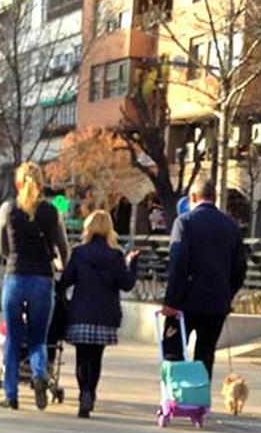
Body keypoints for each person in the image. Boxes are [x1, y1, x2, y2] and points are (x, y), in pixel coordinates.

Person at [0, 161, 70, 410]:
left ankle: (11, 394)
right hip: (42, 279)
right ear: (41, 183)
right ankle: (39, 375)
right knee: (39, 338)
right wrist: (62, 267)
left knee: (14, 339)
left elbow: (2, 247)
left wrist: (13, 258)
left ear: (18, 183)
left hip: (15, 277)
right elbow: (63, 247)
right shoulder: (51, 212)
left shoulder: (8, 209)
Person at [160, 178, 246, 381]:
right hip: (216, 302)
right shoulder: (231, 226)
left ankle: (177, 393)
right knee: (205, 353)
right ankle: (198, 399)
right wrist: (227, 293)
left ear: (193, 197)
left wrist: (171, 301)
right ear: (214, 198)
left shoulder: (185, 222)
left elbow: (178, 262)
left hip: (185, 301)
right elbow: (240, 268)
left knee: (173, 348)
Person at [59, 209, 139, 418]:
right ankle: (90, 392)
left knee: (81, 358)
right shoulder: (115, 256)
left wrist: (65, 301)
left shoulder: (78, 253)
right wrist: (133, 264)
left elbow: (65, 282)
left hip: (81, 313)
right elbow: (127, 284)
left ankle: (82, 392)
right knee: (96, 358)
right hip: (105, 315)